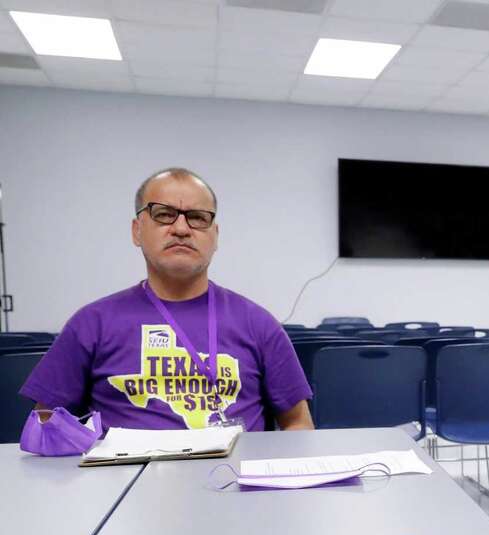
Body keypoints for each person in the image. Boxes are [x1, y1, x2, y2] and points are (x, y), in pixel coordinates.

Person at [21, 167, 313, 431]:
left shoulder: (258, 323)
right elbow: (47, 423)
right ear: (137, 230)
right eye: (163, 214)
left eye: (198, 218)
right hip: (125, 485)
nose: (182, 229)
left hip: (233, 481)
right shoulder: (91, 323)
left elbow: (297, 422)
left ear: (215, 235)